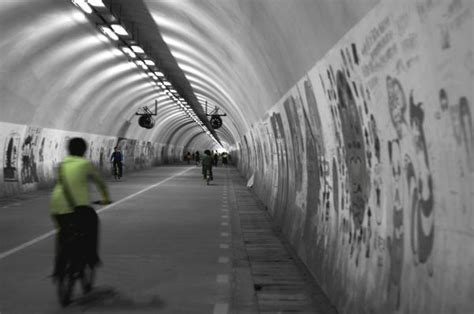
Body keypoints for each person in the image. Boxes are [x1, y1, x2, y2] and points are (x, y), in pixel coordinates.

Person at [50, 137, 110, 281]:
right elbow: (101, 183)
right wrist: (105, 198)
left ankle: (59, 268)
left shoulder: (62, 165)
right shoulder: (86, 164)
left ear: (68, 149)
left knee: (63, 232)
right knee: (92, 224)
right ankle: (91, 257)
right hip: (79, 207)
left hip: (56, 207)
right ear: (84, 150)